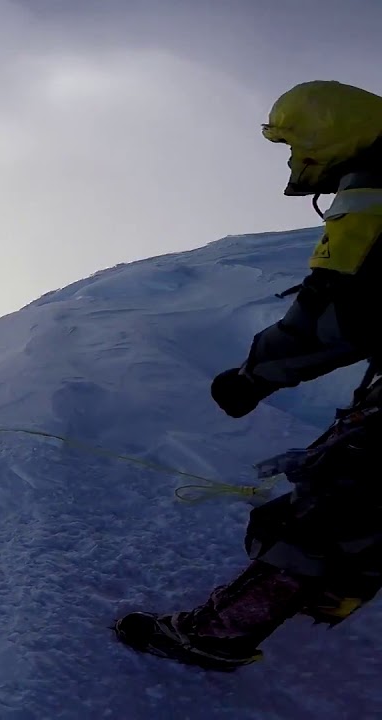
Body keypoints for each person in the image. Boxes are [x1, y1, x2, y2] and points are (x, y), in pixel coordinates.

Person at [116, 80, 382, 671]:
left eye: (296, 144)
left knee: (339, 503)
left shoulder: (371, 194)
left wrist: (251, 377)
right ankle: (336, 590)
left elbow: (334, 313)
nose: (293, 160)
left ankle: (217, 633)